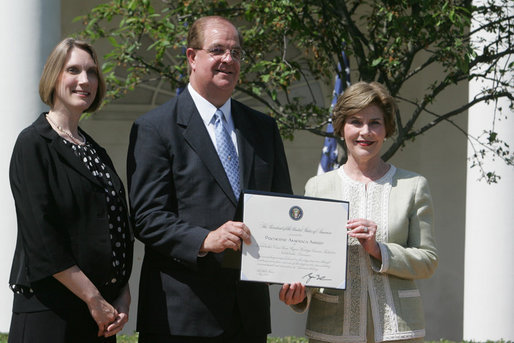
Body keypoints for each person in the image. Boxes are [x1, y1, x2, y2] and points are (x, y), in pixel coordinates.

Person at [127, 16, 292, 343]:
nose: (228, 60)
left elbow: (282, 210)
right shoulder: (156, 128)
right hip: (182, 318)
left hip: (248, 317)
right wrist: (204, 240)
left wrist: (294, 270)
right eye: (218, 50)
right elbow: (147, 218)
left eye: (236, 53)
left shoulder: (263, 129)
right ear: (192, 57)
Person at [279, 81, 438, 343]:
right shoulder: (318, 186)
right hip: (330, 330)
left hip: (400, 330)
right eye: (355, 121)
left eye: (375, 122)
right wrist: (299, 294)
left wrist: (380, 250)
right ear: (341, 128)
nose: (366, 132)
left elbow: (428, 260)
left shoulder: (413, 186)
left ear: (387, 129)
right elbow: (308, 260)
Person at [8, 38, 133, 343]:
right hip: (50, 312)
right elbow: (42, 238)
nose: (85, 80)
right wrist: (93, 299)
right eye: (73, 70)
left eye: (92, 72)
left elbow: (115, 227)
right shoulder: (34, 144)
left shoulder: (96, 152)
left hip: (100, 314)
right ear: (54, 77)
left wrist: (121, 296)